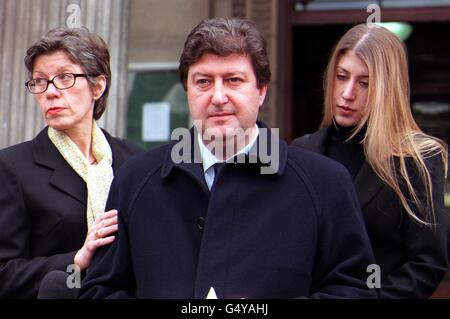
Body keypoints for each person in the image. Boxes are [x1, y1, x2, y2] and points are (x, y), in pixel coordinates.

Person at [79, 17, 377, 299]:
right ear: (187, 91)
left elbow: (355, 289)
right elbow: (101, 290)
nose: (218, 97)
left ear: (261, 90)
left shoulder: (325, 182)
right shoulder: (135, 180)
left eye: (233, 80)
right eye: (203, 82)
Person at [292, 23, 448, 298]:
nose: (347, 93)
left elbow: (427, 263)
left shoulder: (417, 159)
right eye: (342, 77)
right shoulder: (302, 151)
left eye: (364, 83)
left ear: (387, 89)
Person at [0, 28, 142, 298]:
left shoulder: (134, 161)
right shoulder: (12, 167)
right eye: (40, 81)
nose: (50, 92)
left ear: (98, 86)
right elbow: (4, 274)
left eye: (64, 77)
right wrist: (75, 259)